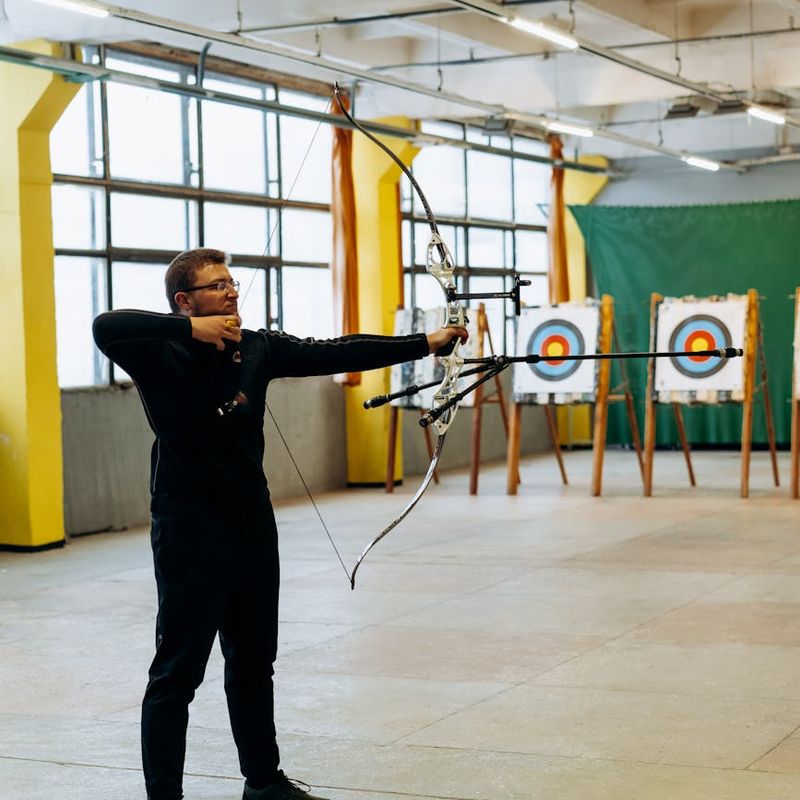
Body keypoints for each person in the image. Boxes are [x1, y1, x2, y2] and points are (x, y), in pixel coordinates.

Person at [92, 248, 467, 800]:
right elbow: (106, 325)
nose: (231, 293)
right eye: (216, 286)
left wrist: (425, 343)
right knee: (178, 671)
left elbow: (338, 351)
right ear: (185, 300)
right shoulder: (157, 351)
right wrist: (189, 330)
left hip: (251, 523)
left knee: (253, 661)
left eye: (231, 283)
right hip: (189, 528)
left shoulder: (256, 348)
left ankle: (263, 783)